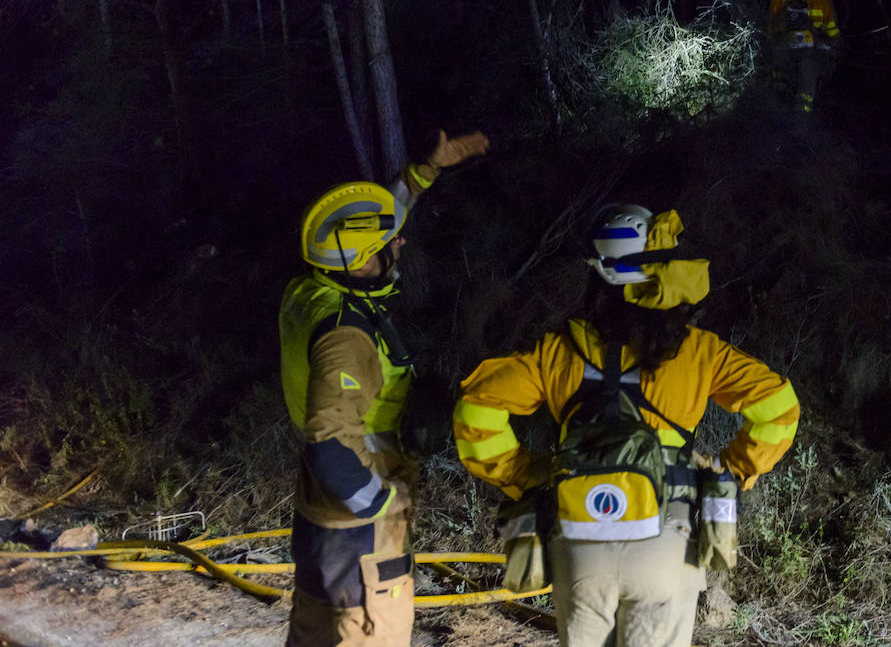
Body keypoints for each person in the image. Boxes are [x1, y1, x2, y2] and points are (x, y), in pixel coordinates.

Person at [453, 204, 800, 647]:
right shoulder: (698, 351)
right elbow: (779, 407)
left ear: (597, 277)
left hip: (579, 544)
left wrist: (521, 474)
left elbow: (476, 408)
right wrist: (730, 470)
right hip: (666, 545)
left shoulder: (557, 351)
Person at [279, 129, 489, 646]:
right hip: (359, 526)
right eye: (387, 244)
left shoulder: (311, 289)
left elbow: (371, 230)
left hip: (320, 518)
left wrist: (422, 174)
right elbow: (330, 446)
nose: (399, 242)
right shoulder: (348, 338)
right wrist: (382, 503)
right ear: (363, 263)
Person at [766, 0, 841, 113]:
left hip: (785, 51)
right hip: (812, 52)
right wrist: (835, 46)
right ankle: (802, 125)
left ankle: (777, 118)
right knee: (806, 96)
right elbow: (831, 27)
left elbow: (772, 28)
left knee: (780, 89)